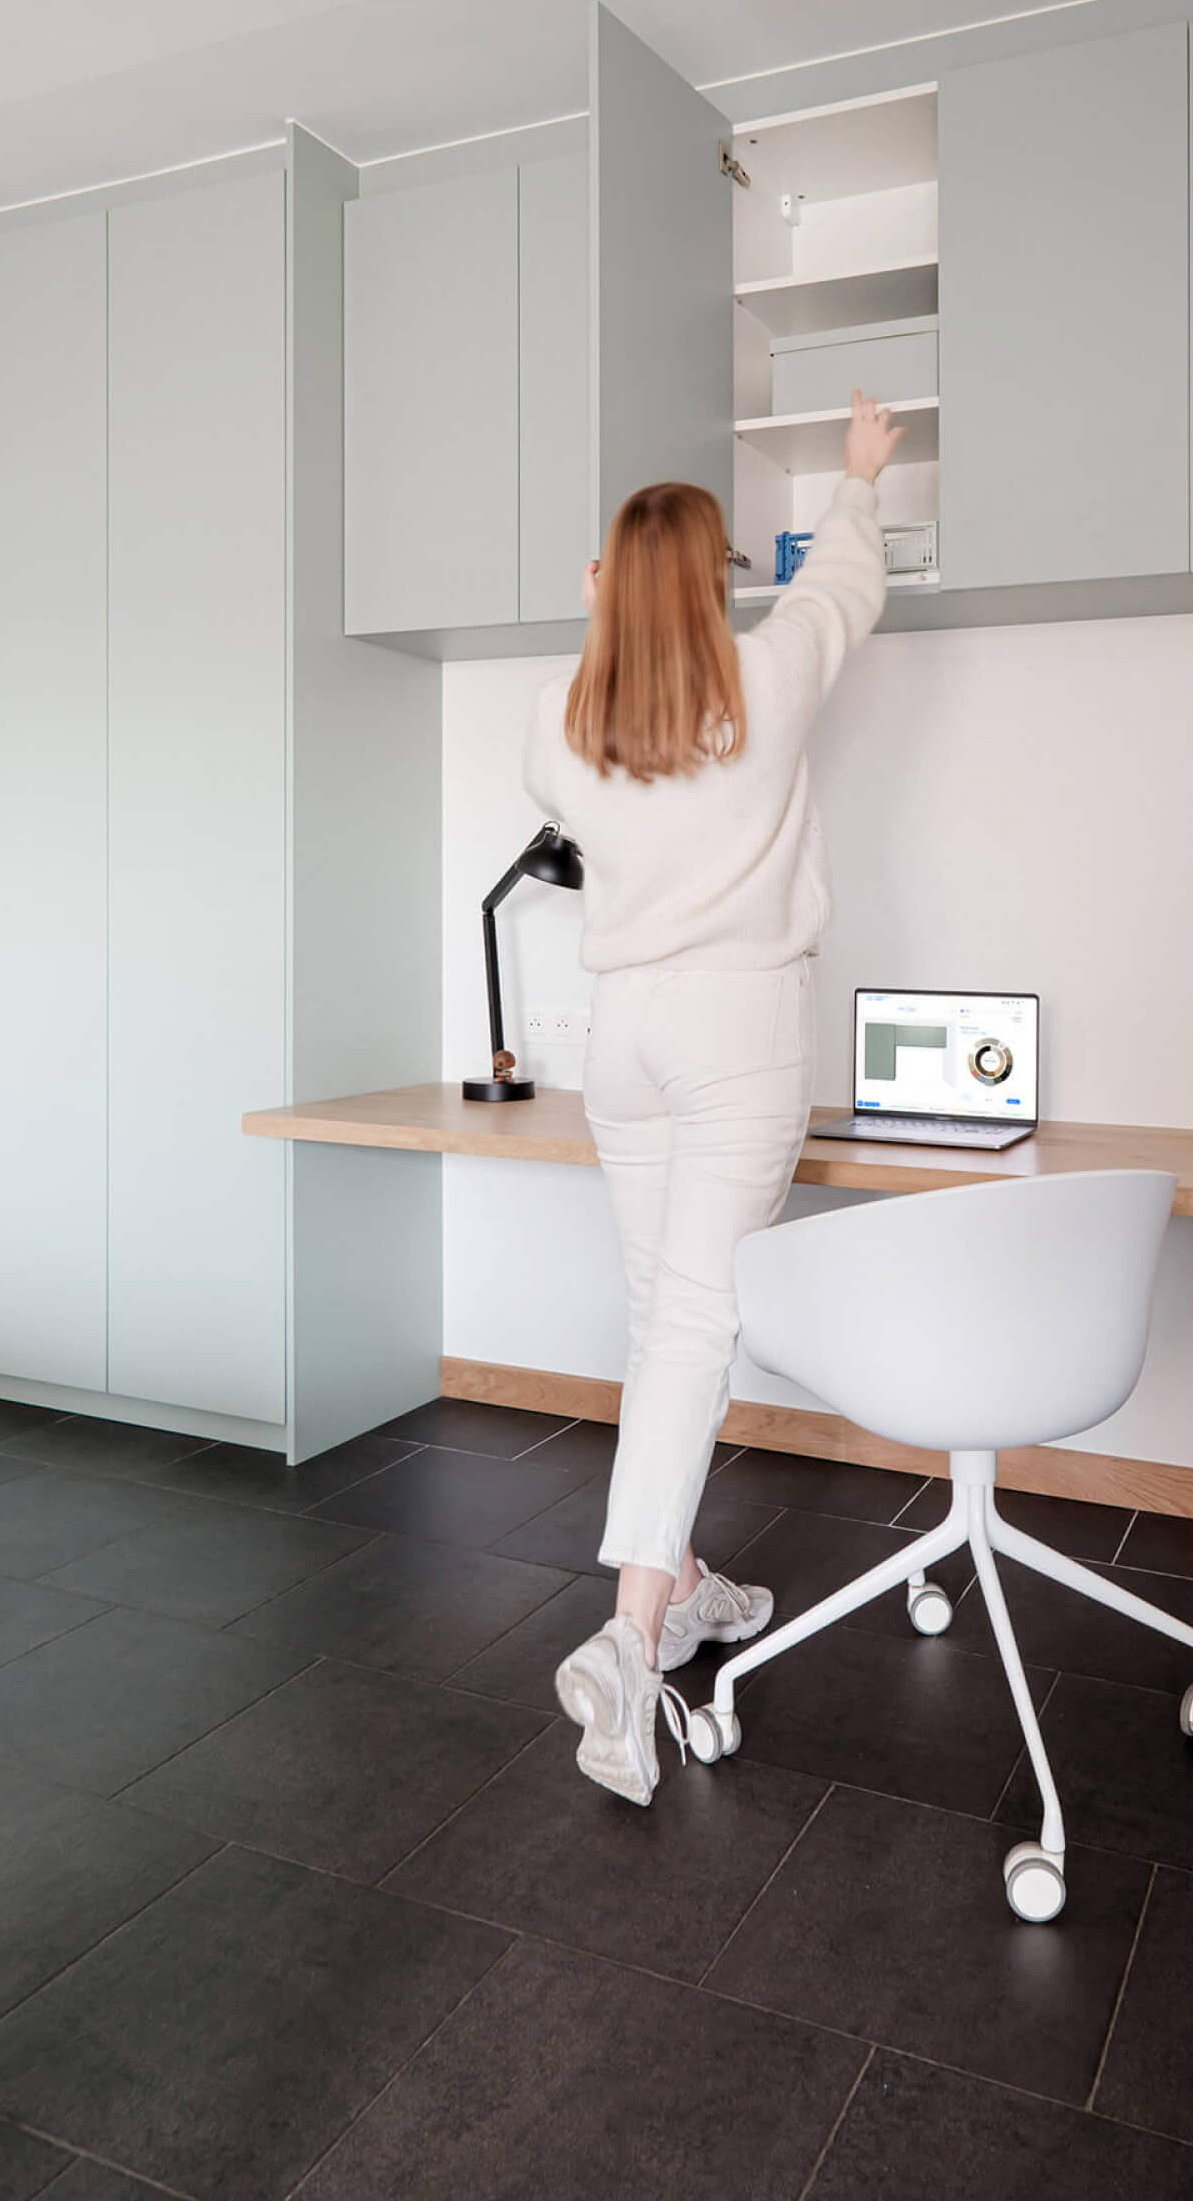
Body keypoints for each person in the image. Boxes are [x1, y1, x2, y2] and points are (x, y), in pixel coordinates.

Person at [522, 390, 902, 1804]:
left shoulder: (560, 734)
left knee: (657, 1312)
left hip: (624, 1039)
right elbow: (845, 584)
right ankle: (628, 1647)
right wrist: (857, 476)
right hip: (738, 1026)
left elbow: (595, 714)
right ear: (722, 582)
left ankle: (679, 1582)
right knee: (695, 1319)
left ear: (611, 590)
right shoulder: (771, 679)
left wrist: (593, 620)